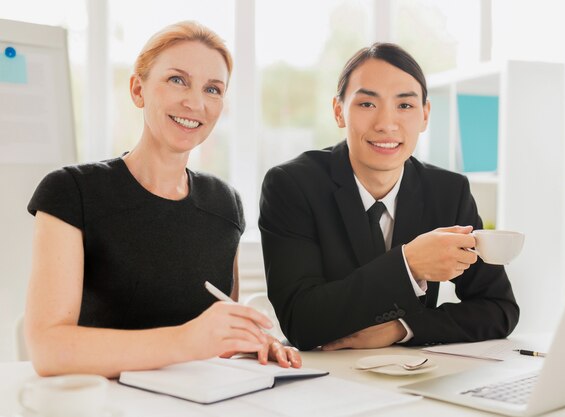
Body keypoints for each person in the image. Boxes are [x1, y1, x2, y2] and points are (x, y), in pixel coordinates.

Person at [24, 21, 300, 378]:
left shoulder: (225, 203)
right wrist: (187, 340)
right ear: (138, 90)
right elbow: (49, 351)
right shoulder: (71, 191)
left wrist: (251, 344)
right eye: (177, 80)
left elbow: (220, 338)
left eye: (213, 89)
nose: (196, 102)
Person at [259, 43, 520, 351]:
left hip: (414, 376)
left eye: (405, 106)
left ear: (425, 115)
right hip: (327, 377)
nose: (385, 124)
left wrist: (403, 328)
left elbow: (500, 309)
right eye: (367, 104)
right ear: (339, 111)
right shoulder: (292, 186)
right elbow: (300, 321)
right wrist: (408, 265)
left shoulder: (448, 191)